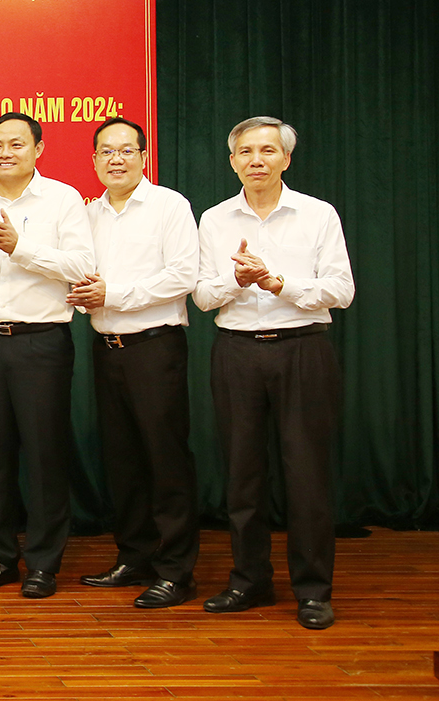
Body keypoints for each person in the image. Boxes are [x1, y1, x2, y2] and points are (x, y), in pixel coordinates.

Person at [193, 116, 353, 630]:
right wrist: (240, 281)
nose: (255, 160)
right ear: (232, 161)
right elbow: (203, 296)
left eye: (267, 150)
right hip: (236, 352)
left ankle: (313, 590)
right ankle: (249, 580)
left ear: (286, 158)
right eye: (245, 152)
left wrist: (277, 283)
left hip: (302, 349)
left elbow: (341, 290)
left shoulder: (317, 214)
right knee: (242, 474)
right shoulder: (215, 219)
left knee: (306, 475)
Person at [0, 111, 95, 599]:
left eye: (16, 144)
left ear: (38, 149)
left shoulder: (63, 199)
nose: (5, 152)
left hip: (42, 341)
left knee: (44, 454)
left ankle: (43, 562)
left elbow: (81, 265)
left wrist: (18, 247)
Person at [66, 118, 201, 608]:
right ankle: (134, 556)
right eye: (106, 151)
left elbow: (183, 275)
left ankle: (176, 570)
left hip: (155, 348)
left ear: (144, 156)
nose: (116, 159)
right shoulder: (88, 214)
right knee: (122, 460)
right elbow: (81, 276)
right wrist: (85, 296)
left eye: (126, 150)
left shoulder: (169, 205)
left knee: (165, 459)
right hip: (107, 349)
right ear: (94, 160)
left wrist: (114, 294)